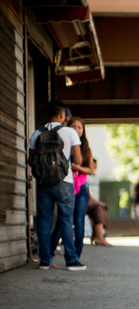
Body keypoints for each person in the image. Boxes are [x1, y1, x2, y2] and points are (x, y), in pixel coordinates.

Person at [28, 100, 86, 271]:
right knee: (66, 221)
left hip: (44, 183)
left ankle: (45, 260)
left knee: (45, 221)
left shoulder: (37, 133)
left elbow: (30, 160)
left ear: (46, 115)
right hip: (64, 182)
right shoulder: (69, 132)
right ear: (62, 115)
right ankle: (71, 260)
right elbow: (78, 160)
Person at [50, 116, 94, 261]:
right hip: (65, 186)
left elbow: (91, 171)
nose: (76, 129)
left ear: (83, 130)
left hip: (81, 189)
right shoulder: (64, 142)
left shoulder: (86, 148)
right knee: (62, 221)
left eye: (79, 127)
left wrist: (76, 167)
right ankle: (49, 254)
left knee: (78, 221)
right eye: (73, 126)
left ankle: (76, 256)